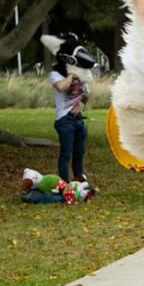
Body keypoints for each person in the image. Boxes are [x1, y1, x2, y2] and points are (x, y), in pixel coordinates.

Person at [42, 32, 95, 182]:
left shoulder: (81, 74)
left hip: (78, 119)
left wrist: (83, 85)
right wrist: (71, 75)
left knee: (79, 153)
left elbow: (85, 97)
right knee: (66, 154)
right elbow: (61, 87)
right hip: (65, 120)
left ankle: (79, 181)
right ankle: (64, 184)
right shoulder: (56, 74)